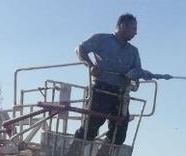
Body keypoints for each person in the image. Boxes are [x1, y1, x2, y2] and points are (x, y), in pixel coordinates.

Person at [73, 13, 172, 146]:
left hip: (121, 95)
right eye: (133, 28)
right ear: (122, 26)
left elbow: (136, 73)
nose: (136, 33)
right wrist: (90, 66)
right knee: (89, 129)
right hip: (102, 90)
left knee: (118, 134)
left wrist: (139, 77)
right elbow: (80, 49)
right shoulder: (102, 39)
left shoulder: (133, 51)